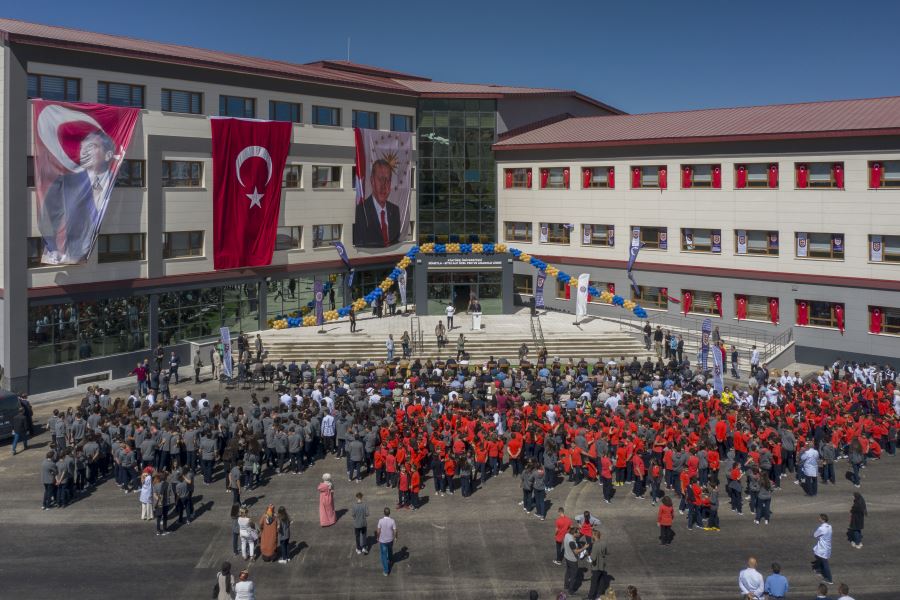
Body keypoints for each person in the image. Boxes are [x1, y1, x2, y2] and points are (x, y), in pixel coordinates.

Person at [38, 129, 116, 263]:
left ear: (108, 155)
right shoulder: (66, 182)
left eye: (92, 147)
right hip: (73, 256)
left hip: (110, 256)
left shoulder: (120, 181)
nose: (84, 152)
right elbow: (47, 215)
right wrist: (52, 247)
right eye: (82, 147)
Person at [353, 159, 401, 247]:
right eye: (380, 179)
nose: (384, 185)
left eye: (387, 180)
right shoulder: (361, 210)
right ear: (372, 181)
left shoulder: (395, 210)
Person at [562, 524, 588, 595]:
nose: (579, 534)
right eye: (578, 533)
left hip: (566, 557)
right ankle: (570, 591)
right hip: (572, 560)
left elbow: (570, 530)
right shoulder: (572, 542)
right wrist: (584, 547)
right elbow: (576, 552)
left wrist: (577, 528)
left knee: (568, 572)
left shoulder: (567, 535)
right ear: (574, 533)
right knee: (573, 576)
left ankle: (566, 586)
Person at [586, 530, 610, 600]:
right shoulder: (604, 543)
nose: (591, 536)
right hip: (602, 565)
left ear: (594, 536)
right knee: (601, 580)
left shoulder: (595, 545)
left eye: (592, 535)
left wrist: (588, 556)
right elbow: (607, 552)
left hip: (596, 567)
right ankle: (600, 594)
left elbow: (593, 558)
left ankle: (591, 597)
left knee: (593, 583)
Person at [812, 513, 834, 585]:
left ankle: (829, 579)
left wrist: (819, 536)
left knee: (825, 563)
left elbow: (815, 535)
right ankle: (818, 569)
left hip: (822, 548)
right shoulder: (829, 526)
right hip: (827, 547)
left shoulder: (821, 528)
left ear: (822, 519)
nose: (819, 519)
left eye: (820, 518)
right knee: (817, 555)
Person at [377, 507, 397, 576]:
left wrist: (377, 537)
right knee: (390, 549)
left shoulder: (380, 521)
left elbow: (378, 530)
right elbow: (395, 530)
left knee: (384, 555)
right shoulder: (392, 521)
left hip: (382, 541)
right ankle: (391, 559)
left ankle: (386, 571)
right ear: (389, 513)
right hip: (390, 539)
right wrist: (395, 537)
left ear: (384, 513)